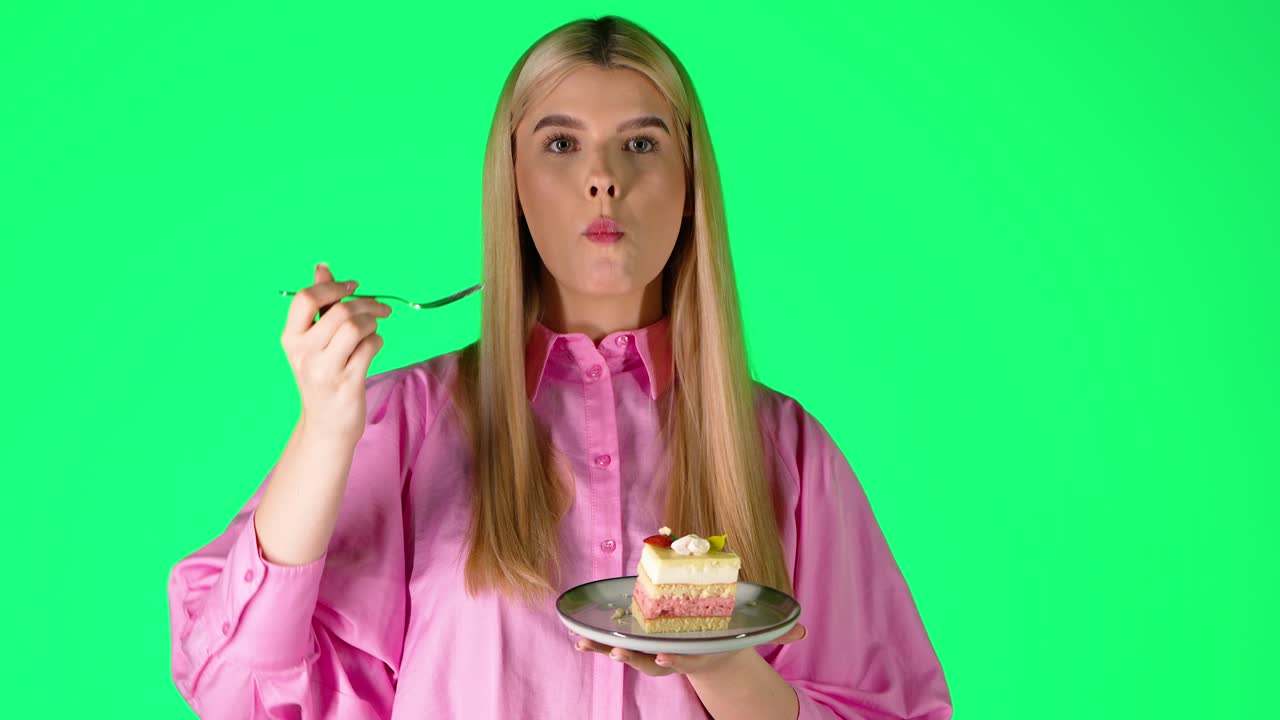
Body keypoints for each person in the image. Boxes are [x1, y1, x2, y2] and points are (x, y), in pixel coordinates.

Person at [167, 15, 953, 720]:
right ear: (512, 185)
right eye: (560, 143)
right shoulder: (403, 424)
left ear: (689, 189)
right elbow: (237, 691)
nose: (602, 176)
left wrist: (723, 666)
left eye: (641, 143)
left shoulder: (790, 449)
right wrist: (323, 430)